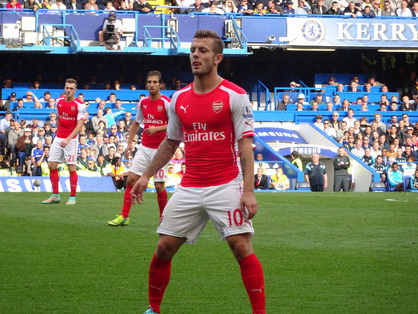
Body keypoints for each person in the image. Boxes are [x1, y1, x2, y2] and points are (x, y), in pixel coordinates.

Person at [130, 30, 265, 314]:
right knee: (163, 248)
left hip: (226, 184)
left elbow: (246, 147)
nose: (195, 55)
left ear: (217, 58)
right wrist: (145, 174)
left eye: (202, 51)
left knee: (241, 246)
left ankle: (259, 312)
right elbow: (170, 142)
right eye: (192, 50)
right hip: (190, 186)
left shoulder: (235, 95)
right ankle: (153, 309)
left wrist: (249, 191)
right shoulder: (178, 99)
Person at [108, 70, 170, 227]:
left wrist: (158, 128)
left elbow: (176, 124)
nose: (151, 84)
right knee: (132, 180)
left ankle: (164, 218)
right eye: (149, 82)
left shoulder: (166, 103)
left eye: (155, 82)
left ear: (160, 84)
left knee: (158, 186)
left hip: (161, 149)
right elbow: (136, 122)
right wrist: (130, 142)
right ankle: (124, 216)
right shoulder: (143, 103)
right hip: (144, 147)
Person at [42, 78, 86, 205]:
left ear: (75, 90)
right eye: (67, 88)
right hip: (59, 136)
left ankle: (72, 197)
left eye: (71, 88)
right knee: (51, 164)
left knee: (71, 167)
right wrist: (59, 134)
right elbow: (59, 118)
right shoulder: (59, 101)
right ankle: (55, 195)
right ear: (64, 88)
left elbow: (79, 126)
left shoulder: (80, 105)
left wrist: (68, 139)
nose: (69, 90)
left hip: (71, 139)